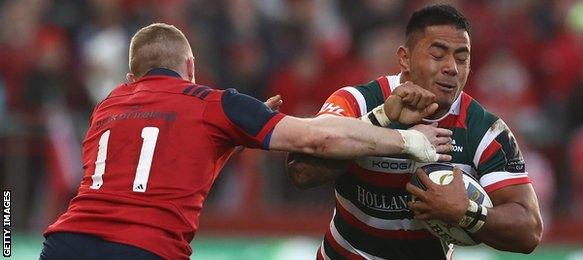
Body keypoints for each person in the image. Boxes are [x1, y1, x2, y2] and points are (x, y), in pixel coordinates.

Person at [38, 23, 451, 260]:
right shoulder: (215, 104)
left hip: (66, 243)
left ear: (131, 79)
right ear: (191, 68)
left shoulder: (109, 105)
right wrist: (406, 139)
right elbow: (320, 139)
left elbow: (166, 158)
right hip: (144, 249)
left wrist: (231, 139)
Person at [287, 5, 543, 259]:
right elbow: (300, 172)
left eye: (462, 58)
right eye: (438, 55)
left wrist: (468, 211)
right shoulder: (359, 102)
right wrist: (383, 124)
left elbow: (530, 230)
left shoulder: (484, 130)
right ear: (404, 59)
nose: (452, 67)